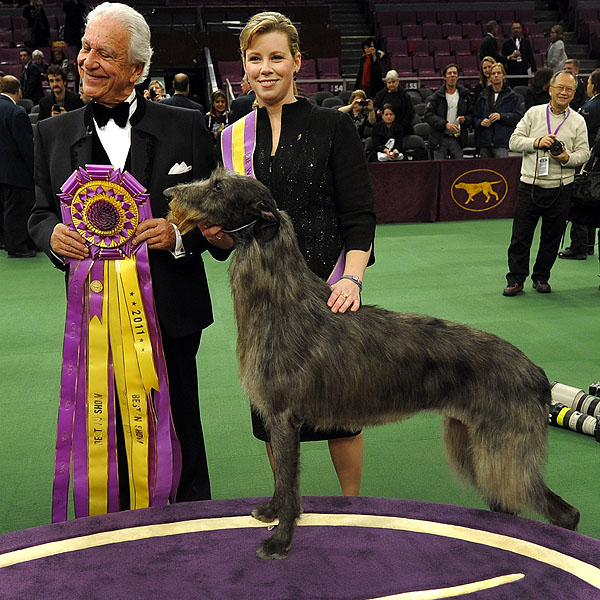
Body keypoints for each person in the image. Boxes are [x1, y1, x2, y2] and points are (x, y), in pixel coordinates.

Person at [28, 1, 229, 506]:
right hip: (95, 319)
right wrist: (51, 235)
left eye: (105, 54)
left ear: (137, 70)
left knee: (180, 423)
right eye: (85, 49)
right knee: (103, 427)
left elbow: (221, 221)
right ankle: (111, 530)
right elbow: (35, 214)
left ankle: (190, 524)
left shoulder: (186, 126)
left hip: (174, 312)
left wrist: (182, 236)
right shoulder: (51, 134)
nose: (87, 61)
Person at [225, 10, 376, 496]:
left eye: (276, 57)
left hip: (329, 291)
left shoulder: (333, 126)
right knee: (272, 410)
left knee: (341, 412)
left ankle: (352, 505)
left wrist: (351, 280)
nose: (265, 68)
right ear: (244, 67)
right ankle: (286, 500)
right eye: (255, 59)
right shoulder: (231, 137)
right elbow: (234, 226)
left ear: (297, 63)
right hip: (263, 300)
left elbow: (358, 214)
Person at [503, 70, 589, 296]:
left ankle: (541, 277)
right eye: (560, 87)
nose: (564, 92)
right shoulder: (534, 113)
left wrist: (567, 158)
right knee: (520, 237)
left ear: (573, 93)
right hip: (529, 186)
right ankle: (516, 279)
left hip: (561, 188)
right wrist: (537, 142)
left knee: (551, 239)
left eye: (569, 89)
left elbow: (584, 154)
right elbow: (513, 141)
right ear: (550, 89)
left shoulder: (579, 121)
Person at [560, 68, 600, 259]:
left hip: (589, 162)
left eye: (589, 82)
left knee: (582, 199)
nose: (588, 86)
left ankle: (579, 246)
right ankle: (589, 244)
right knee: (594, 202)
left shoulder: (591, 108)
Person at [0, 75, 36, 258]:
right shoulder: (17, 112)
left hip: (2, 171)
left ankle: (5, 241)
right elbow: (26, 147)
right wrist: (35, 169)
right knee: (17, 209)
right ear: (19, 90)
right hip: (16, 172)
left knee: (5, 208)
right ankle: (17, 247)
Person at [473, 63, 525, 158]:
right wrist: (481, 122)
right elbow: (475, 117)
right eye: (493, 74)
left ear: (504, 76)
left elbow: (518, 117)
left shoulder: (513, 96)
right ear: (490, 77)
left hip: (502, 142)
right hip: (484, 142)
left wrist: (501, 116)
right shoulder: (482, 95)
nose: (496, 75)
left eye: (498, 73)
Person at [424, 63, 472, 159]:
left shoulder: (464, 95)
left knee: (459, 170)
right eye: (449, 73)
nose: (452, 75)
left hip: (457, 139)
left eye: (455, 73)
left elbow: (471, 114)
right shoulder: (436, 96)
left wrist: (465, 119)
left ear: (458, 77)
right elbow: (428, 114)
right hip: (440, 139)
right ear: (444, 77)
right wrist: (445, 124)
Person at [370, 70, 414, 135]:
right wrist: (377, 111)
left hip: (402, 129)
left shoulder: (404, 95)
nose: (391, 84)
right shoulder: (381, 94)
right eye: (389, 82)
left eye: (393, 82)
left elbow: (410, 112)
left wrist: (399, 126)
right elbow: (375, 106)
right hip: (384, 130)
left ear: (398, 81)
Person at [502, 21, 537, 88]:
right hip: (511, 73)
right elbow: (504, 58)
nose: (516, 30)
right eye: (514, 28)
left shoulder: (526, 42)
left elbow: (530, 57)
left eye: (518, 28)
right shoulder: (506, 43)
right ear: (511, 30)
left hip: (523, 72)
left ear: (521, 30)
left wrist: (534, 70)